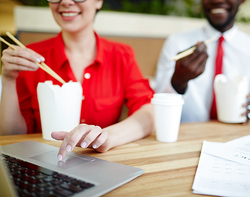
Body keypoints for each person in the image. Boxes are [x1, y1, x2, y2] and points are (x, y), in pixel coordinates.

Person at [0, 0, 154, 161]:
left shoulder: (121, 55)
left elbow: (149, 113)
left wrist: (106, 137)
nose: (66, 1)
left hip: (100, 162)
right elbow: (12, 136)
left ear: (99, 2)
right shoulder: (30, 58)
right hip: (43, 164)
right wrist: (8, 79)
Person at [155, 0, 250, 123]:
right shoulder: (176, 43)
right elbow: (158, 102)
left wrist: (249, 113)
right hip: (186, 133)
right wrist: (178, 81)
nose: (217, 0)